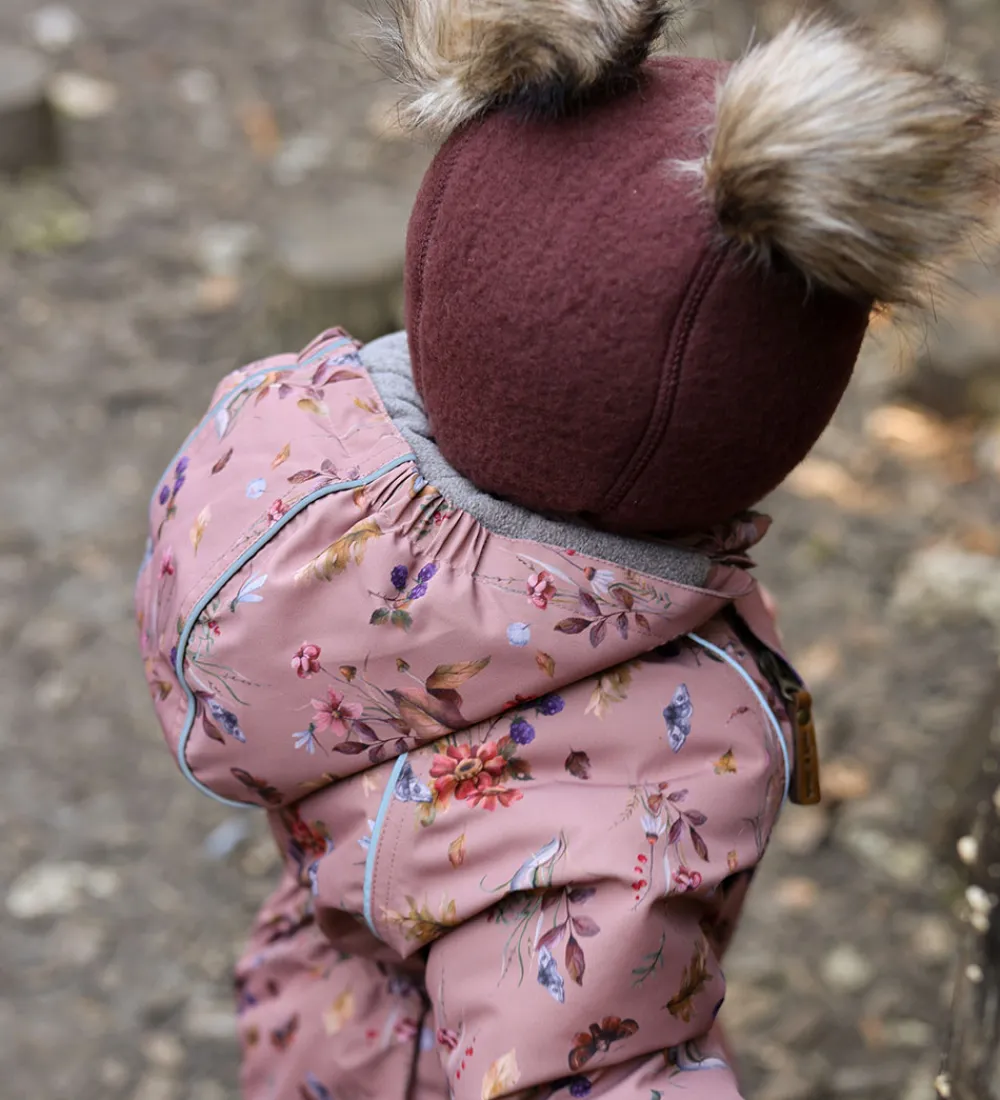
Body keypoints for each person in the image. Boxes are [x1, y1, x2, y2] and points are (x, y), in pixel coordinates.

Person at [135, 4, 998, 1097]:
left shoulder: (293, 462)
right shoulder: (629, 790)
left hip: (325, 1005)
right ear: (758, 425)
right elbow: (594, 1068)